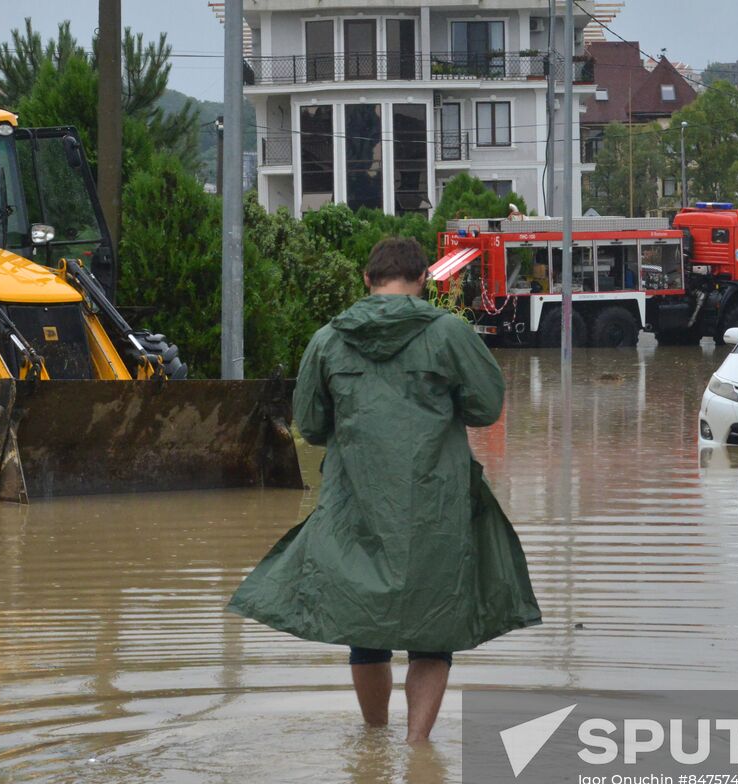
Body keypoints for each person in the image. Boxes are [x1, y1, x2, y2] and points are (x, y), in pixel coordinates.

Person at [229, 237, 540, 743]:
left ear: (366, 279)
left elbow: (309, 422)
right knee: (434, 631)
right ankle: (417, 749)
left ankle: (375, 740)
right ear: (422, 281)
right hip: (436, 505)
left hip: (357, 502)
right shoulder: (450, 333)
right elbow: (485, 408)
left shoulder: (328, 340)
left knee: (366, 629)